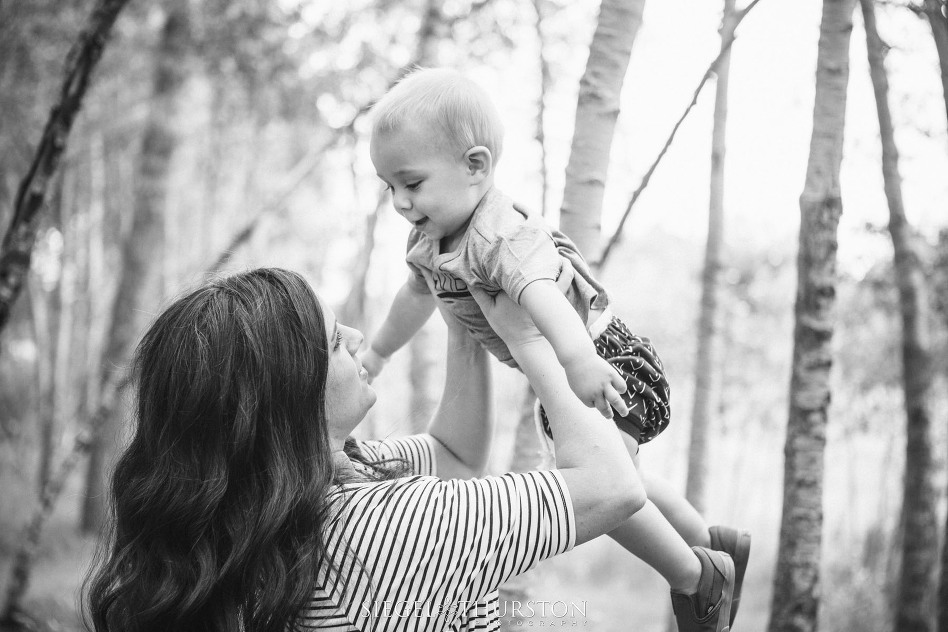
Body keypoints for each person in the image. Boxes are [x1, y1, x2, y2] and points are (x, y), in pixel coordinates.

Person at [82, 267, 714, 632]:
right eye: (333, 342)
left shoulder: (325, 483)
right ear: (284, 399)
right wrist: (532, 342)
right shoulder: (375, 529)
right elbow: (613, 486)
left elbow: (453, 453)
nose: (358, 337)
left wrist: (461, 317)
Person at [362, 67, 749, 630]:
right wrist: (376, 354)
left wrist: (577, 362)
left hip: (603, 360)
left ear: (475, 167)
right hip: (574, 367)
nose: (399, 201)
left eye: (411, 183)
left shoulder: (499, 233)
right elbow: (412, 298)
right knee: (621, 480)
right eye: (388, 186)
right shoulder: (429, 237)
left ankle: (697, 579)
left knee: (596, 490)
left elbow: (540, 296)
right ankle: (712, 542)